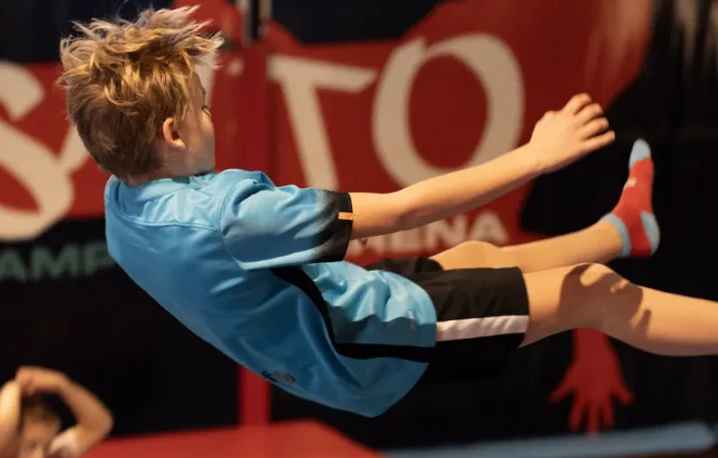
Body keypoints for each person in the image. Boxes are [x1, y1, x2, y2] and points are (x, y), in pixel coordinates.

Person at [58, 6, 717, 419]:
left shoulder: (123, 208)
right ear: (172, 134)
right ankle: (613, 251)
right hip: (376, 346)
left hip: (330, 335)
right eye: (201, 105)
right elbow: (405, 208)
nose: (210, 115)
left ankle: (619, 231)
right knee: (596, 296)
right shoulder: (230, 217)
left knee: (477, 259)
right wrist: (537, 155)